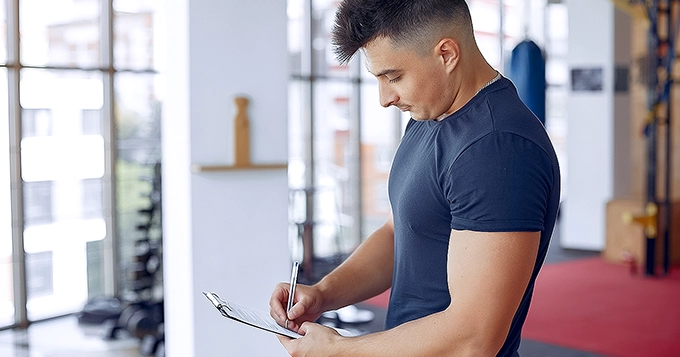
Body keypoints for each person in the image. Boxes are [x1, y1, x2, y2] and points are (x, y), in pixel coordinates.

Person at [269, 0, 561, 356]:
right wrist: (324, 293)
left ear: (447, 53)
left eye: (394, 77)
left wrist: (339, 351)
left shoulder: (497, 148)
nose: (384, 98)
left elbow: (474, 338)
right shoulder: (428, 117)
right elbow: (400, 233)